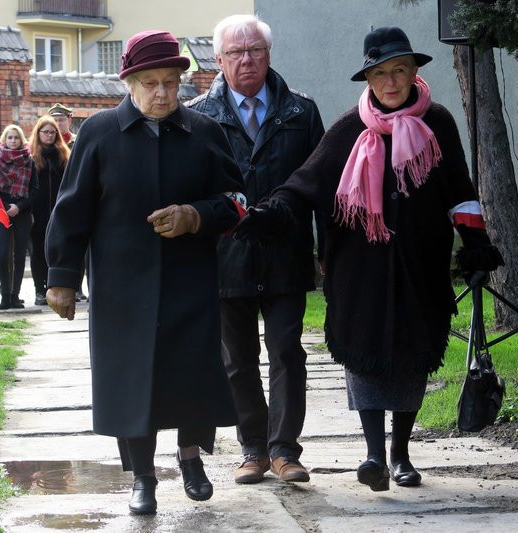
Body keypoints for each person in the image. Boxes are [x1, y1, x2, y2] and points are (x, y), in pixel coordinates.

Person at [234, 27, 503, 491]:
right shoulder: (348, 129)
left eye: (399, 71)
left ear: (414, 72)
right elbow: (305, 184)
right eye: (380, 74)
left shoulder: (437, 122)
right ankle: (374, 455)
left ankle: (401, 454)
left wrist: (476, 245)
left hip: (421, 262)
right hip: (359, 269)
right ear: (369, 80)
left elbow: (460, 190)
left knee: (414, 353)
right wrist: (266, 215)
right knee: (364, 355)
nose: (391, 82)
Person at [45, 30, 244, 515]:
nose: (162, 93)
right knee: (131, 381)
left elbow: (236, 204)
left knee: (191, 374)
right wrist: (62, 276)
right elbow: (72, 210)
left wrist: (195, 215)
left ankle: (192, 458)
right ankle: (143, 477)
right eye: (151, 82)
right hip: (121, 288)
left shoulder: (204, 132)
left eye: (171, 83)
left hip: (189, 282)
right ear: (129, 83)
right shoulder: (99, 132)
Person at [187, 14, 324, 484]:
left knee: (287, 350)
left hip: (285, 250)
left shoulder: (301, 113)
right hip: (225, 257)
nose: (247, 60)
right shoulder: (199, 115)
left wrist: (328, 249)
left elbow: (321, 185)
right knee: (237, 359)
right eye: (236, 52)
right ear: (219, 60)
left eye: (256, 51)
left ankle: (285, 449)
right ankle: (253, 447)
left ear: (269, 55)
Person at [0, 124, 37, 310]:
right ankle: (4, 296)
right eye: (9, 137)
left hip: (22, 212)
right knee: (3, 255)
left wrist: (18, 207)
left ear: (21, 140)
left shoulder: (30, 161)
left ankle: (15, 295)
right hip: (1, 212)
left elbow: (35, 190)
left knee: (19, 255)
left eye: (16, 138)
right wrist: (5, 207)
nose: (12, 141)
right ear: (4, 139)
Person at [27, 115, 69, 306]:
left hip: (59, 213)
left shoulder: (63, 155)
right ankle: (39, 290)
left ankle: (58, 288)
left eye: (53, 132)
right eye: (46, 132)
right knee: (37, 253)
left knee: (59, 251)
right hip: (38, 213)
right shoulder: (30, 157)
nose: (50, 136)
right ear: (38, 133)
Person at [48, 102, 87, 302]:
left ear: (69, 120)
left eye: (61, 119)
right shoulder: (46, 143)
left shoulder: (77, 142)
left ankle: (79, 287)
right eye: (54, 120)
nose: (58, 123)